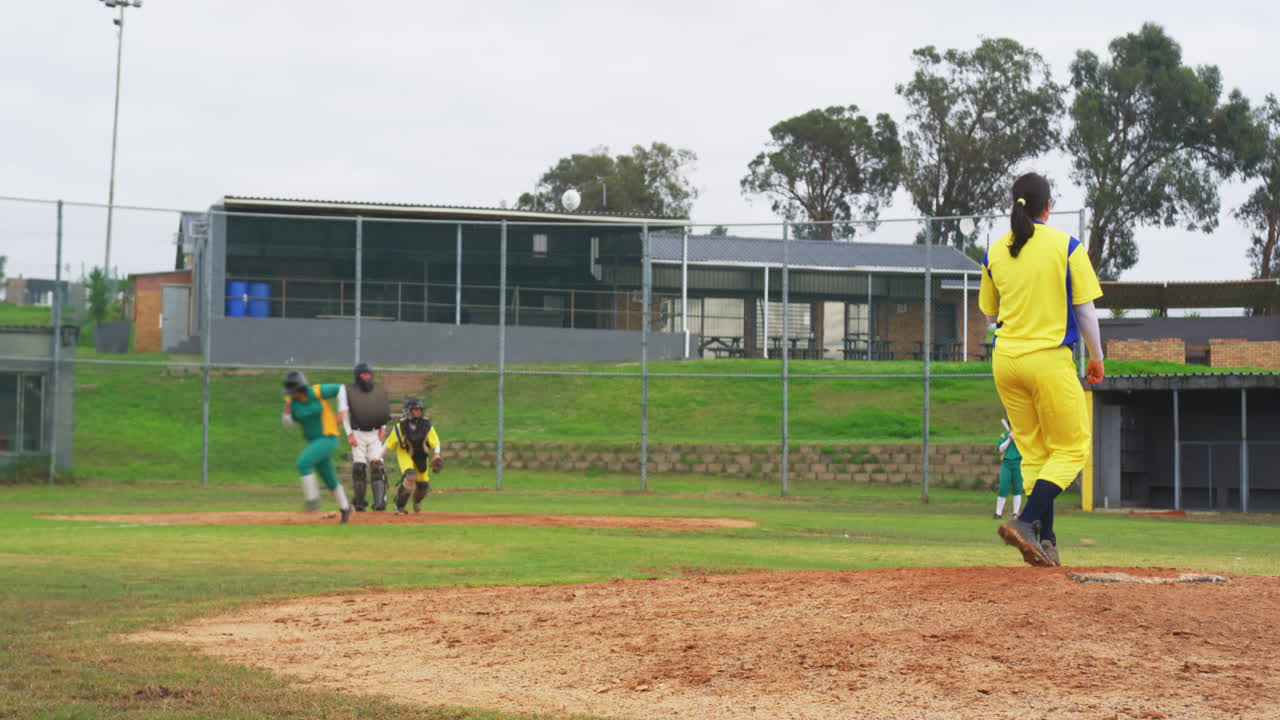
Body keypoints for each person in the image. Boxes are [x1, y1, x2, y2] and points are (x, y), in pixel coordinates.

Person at [979, 172, 1105, 567]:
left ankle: (1046, 540)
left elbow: (989, 313)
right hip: (1047, 359)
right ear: (1048, 207)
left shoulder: (995, 251)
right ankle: (1027, 520)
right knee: (1072, 448)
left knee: (1035, 451)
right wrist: (1097, 356)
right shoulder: (1066, 246)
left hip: (1006, 361)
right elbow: (1085, 311)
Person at [281, 370, 353, 524]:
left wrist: (342, 411)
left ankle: (312, 500)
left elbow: (341, 389)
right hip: (314, 442)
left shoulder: (316, 391)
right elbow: (288, 424)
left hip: (328, 437)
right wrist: (287, 411)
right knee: (329, 479)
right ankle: (346, 508)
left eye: (294, 391)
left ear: (301, 388)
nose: (293, 394)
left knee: (303, 462)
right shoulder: (292, 402)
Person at [344, 362, 392, 512]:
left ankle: (379, 503)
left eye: (368, 373)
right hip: (358, 433)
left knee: (377, 466)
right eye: (364, 374)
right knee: (359, 468)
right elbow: (345, 413)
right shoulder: (351, 392)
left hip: (374, 433)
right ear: (358, 375)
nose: (367, 376)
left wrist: (383, 427)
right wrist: (349, 433)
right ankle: (359, 503)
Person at [384, 397, 443, 515]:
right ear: (408, 411)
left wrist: (437, 455)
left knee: (423, 486)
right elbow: (388, 444)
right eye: (415, 410)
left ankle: (416, 501)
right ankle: (399, 506)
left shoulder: (426, 425)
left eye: (420, 410)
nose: (419, 412)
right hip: (405, 454)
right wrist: (377, 458)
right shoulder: (400, 427)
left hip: (421, 455)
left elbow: (435, 442)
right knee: (410, 476)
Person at [994, 419, 1023, 520]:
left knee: (1018, 488)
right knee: (1003, 487)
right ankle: (998, 513)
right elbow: (1000, 449)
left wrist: (1017, 439)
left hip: (1019, 463)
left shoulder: (1022, 436)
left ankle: (1015, 513)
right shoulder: (1004, 435)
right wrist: (1009, 439)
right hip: (1006, 463)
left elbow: (1026, 448)